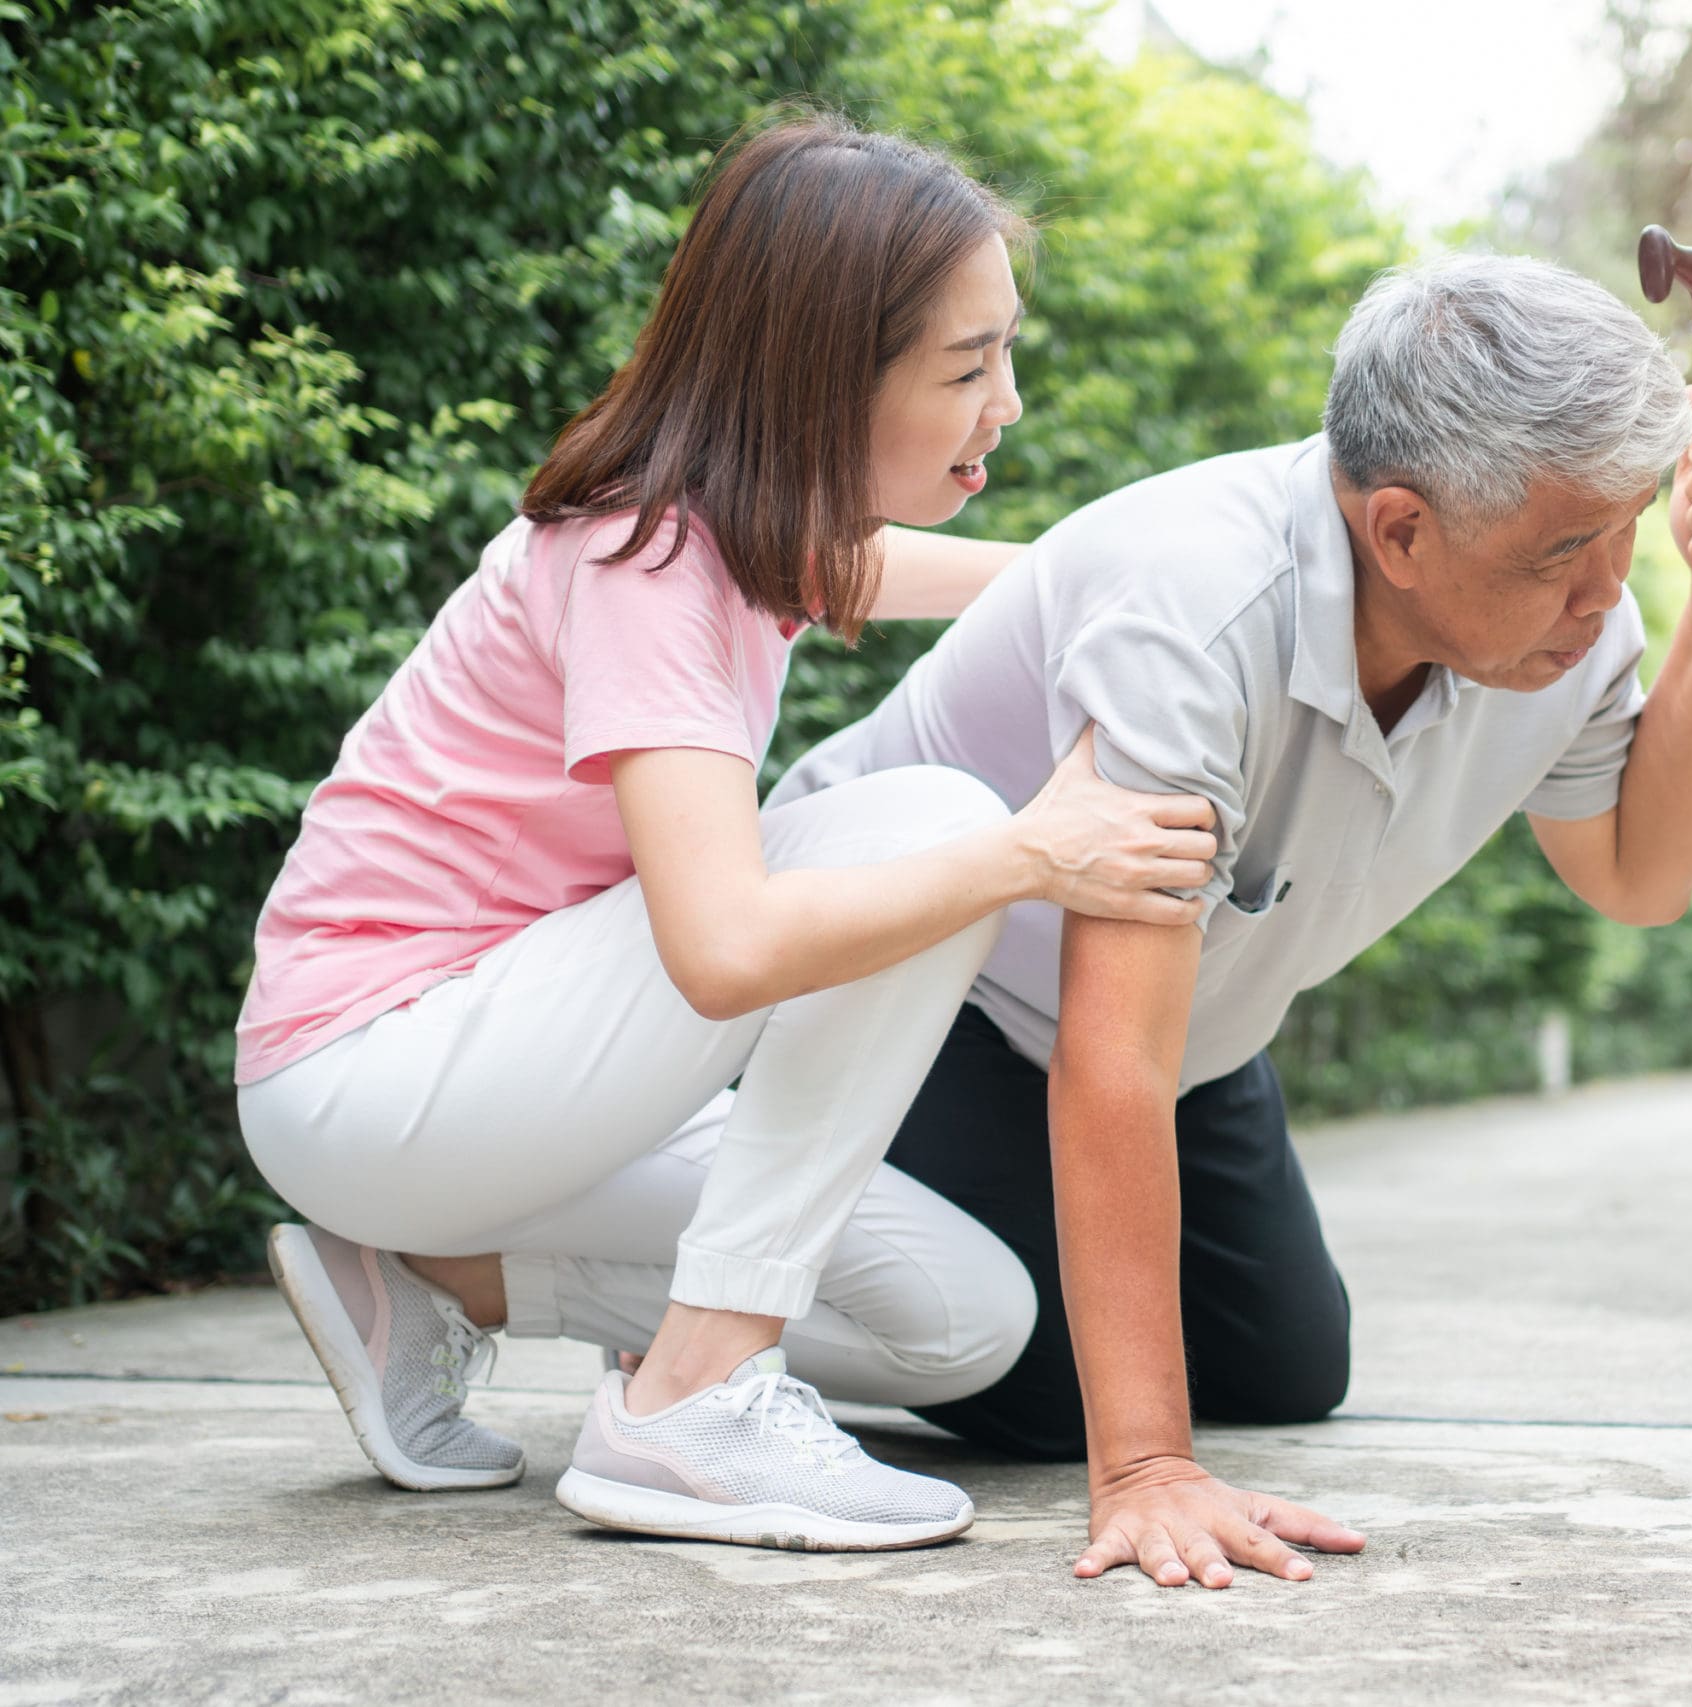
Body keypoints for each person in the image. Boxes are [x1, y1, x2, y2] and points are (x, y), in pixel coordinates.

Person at [231, 115, 1218, 1553]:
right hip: (381, 1065)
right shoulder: (649, 554)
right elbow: (725, 948)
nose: (1006, 402)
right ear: (823, 377)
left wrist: (1145, 573)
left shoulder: (744, 529)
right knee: (934, 823)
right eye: (965, 367)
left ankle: (441, 1282)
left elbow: (952, 579)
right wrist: (1031, 854)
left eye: (1007, 351)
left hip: (514, 1079)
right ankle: (691, 1401)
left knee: (973, 1328)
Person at [772, 253, 1692, 1586]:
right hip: (908, 987)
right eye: (1561, 555)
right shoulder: (1195, 609)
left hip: (1186, 1025)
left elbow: (1640, 878)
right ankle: (673, 1251)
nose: (1608, 594)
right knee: (1040, 1386)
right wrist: (1145, 1470)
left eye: (1632, 530)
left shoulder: (1564, 622)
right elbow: (1111, 1055)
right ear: (1403, 533)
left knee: (1284, 1369)